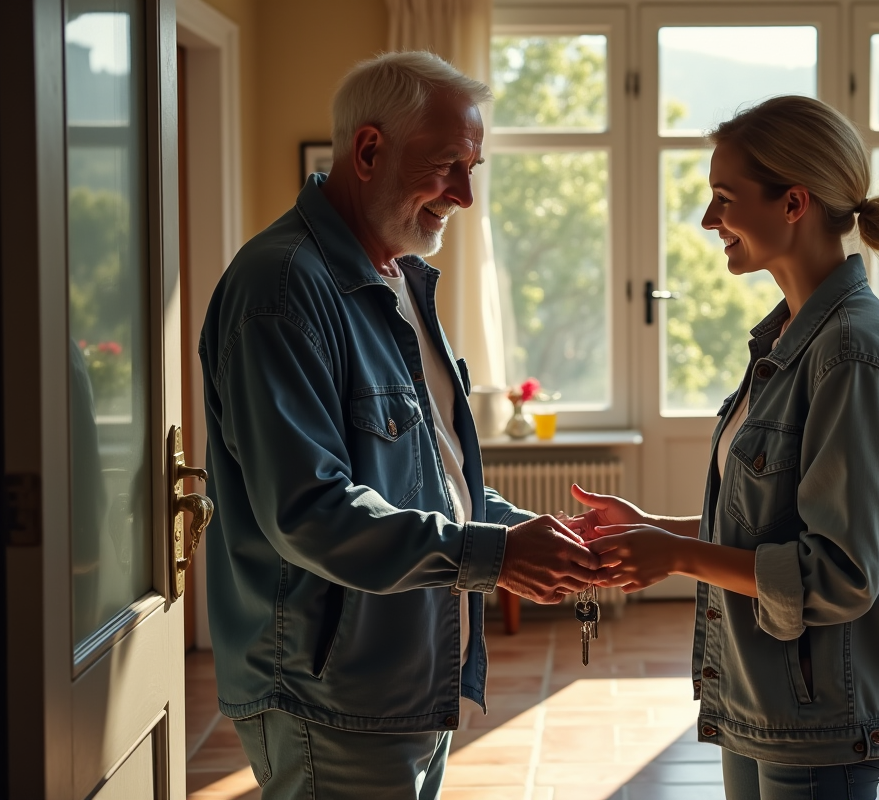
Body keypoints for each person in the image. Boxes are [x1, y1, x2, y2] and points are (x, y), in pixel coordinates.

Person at [199, 51, 601, 800]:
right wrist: (496, 554)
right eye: (450, 164)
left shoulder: (397, 276)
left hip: (406, 677)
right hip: (332, 700)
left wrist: (527, 533)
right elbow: (309, 513)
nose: (467, 196)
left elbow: (425, 476)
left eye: (474, 167)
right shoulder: (282, 285)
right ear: (368, 150)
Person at [572, 95, 879, 800]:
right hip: (765, 700)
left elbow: (836, 573)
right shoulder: (789, 339)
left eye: (723, 198)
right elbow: (771, 531)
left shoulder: (852, 356)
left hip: (822, 717)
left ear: (794, 203)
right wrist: (651, 529)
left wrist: (677, 556)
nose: (710, 220)